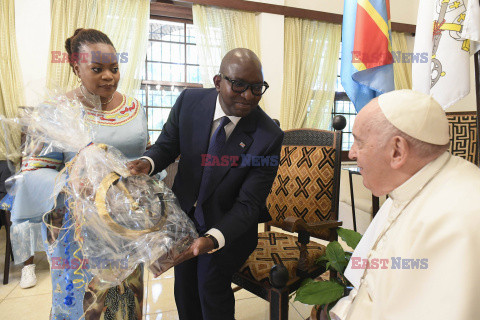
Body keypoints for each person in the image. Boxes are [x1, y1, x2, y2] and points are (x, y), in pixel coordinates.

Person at [129, 48, 284, 320]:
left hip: (229, 227)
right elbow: (167, 146)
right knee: (185, 288)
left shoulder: (267, 136)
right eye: (238, 85)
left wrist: (212, 239)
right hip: (184, 217)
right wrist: (147, 163)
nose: (248, 96)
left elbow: (249, 204)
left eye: (257, 88)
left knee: (210, 285)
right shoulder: (190, 102)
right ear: (217, 81)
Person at [8, 28, 148, 318]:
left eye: (114, 68)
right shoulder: (54, 111)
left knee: (124, 303)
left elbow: (142, 155)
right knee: (83, 306)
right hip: (77, 227)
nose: (109, 76)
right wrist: (69, 182)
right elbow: (33, 172)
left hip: (126, 223)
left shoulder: (134, 107)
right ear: (75, 66)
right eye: (97, 69)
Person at [328, 90, 480, 320]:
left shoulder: (459, 221)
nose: (352, 152)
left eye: (359, 141)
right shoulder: (412, 183)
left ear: (397, 150)